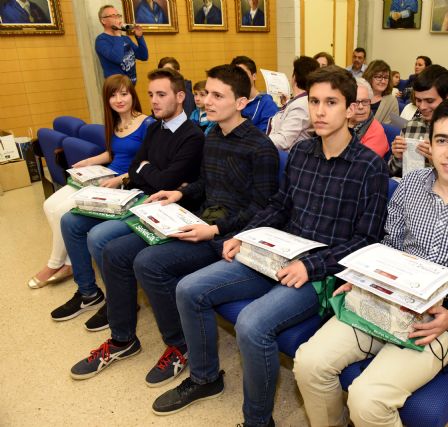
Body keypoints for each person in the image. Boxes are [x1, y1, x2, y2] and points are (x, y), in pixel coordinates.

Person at [151, 66, 389, 425]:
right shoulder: (302, 152)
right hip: (278, 253)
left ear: (351, 109)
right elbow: (279, 206)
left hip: (321, 274)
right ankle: (205, 378)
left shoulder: (369, 167)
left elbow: (366, 241)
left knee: (252, 324)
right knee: (189, 289)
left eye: (331, 103)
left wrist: (309, 266)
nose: (320, 111)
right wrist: (242, 236)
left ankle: (258, 421)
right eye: (314, 102)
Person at [293, 96, 448, 427]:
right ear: (430, 143)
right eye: (442, 140)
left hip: (441, 318)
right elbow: (389, 244)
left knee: (368, 400)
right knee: (309, 363)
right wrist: (362, 279)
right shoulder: (411, 186)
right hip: (386, 298)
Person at [69, 64, 279, 386]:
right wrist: (179, 193)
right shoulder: (214, 135)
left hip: (227, 235)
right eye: (207, 94)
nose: (206, 101)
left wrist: (214, 230)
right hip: (200, 219)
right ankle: (123, 339)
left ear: (240, 103)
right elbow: (205, 184)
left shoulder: (260, 147)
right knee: (115, 253)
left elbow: (262, 208)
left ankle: (180, 346)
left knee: (148, 263)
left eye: (217, 95)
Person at [51, 68, 204, 331]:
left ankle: (118, 303)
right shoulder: (155, 127)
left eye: (161, 95)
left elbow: (165, 181)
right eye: (151, 95)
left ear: (180, 97)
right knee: (70, 222)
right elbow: (135, 167)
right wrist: (146, 170)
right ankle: (88, 292)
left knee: (99, 237)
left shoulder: (193, 135)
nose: (154, 101)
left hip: (159, 203)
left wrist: (146, 169)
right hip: (136, 193)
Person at [29, 75, 153, 290]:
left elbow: (148, 162)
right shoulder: (115, 121)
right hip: (104, 174)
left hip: (122, 182)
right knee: (49, 205)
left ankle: (56, 264)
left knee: (62, 213)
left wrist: (120, 178)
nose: (119, 100)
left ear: (133, 95)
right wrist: (88, 162)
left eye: (124, 94)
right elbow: (112, 153)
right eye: (113, 96)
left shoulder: (147, 123)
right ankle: (69, 261)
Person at [389, 65, 448, 177]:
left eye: (430, 101)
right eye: (418, 100)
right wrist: (398, 158)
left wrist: (437, 163)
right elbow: (391, 173)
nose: (422, 107)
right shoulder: (411, 126)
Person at [267, 56, 319, 151]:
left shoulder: (301, 106)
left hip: (286, 156)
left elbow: (284, 140)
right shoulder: (302, 101)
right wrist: (287, 102)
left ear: (294, 78)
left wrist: (258, 140)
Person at [95, 5, 148, 85]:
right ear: (103, 21)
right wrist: (117, 34)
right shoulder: (101, 40)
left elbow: (143, 56)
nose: (117, 18)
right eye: (113, 16)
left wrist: (139, 37)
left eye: (118, 16)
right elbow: (117, 58)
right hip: (116, 87)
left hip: (130, 85)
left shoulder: (125, 38)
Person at [230, 55, 279, 133]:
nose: (239, 78)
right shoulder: (231, 101)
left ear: (254, 76)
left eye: (243, 74)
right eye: (236, 75)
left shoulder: (267, 104)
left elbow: (264, 136)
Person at [349, 78, 389, 158]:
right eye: (356, 102)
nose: (361, 107)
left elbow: (360, 163)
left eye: (365, 102)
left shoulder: (376, 132)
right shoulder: (339, 122)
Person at [362, 59, 399, 125]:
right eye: (379, 77)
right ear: (369, 77)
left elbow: (392, 128)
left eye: (386, 77)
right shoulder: (359, 96)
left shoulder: (392, 101)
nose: (383, 81)